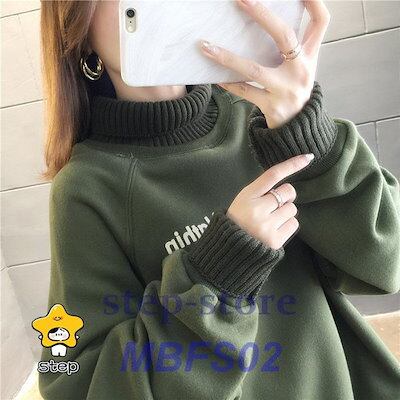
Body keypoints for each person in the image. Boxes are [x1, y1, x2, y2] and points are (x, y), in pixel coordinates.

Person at [37, 1, 400, 399]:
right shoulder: (86, 189)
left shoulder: (263, 115)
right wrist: (219, 275)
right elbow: (78, 385)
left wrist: (308, 134)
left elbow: (386, 261)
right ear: (77, 27)